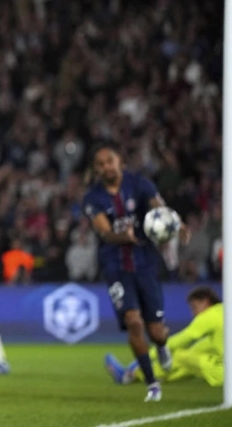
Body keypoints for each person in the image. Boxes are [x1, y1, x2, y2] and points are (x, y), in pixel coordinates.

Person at [82, 143, 190, 402]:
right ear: (96, 170)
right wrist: (123, 236)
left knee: (156, 332)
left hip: (145, 264)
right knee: (133, 321)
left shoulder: (139, 184)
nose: (106, 166)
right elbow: (105, 232)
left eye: (110, 160)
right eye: (101, 164)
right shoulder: (92, 198)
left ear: (121, 162)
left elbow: (158, 206)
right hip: (116, 267)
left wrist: (176, 225)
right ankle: (152, 384)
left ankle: (162, 346)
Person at [105, 286, 232, 388]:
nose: (194, 313)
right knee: (189, 362)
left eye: (194, 307)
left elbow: (183, 339)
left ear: (206, 301)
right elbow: (200, 347)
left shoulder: (210, 315)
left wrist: (146, 357)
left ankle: (130, 373)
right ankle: (133, 376)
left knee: (178, 356)